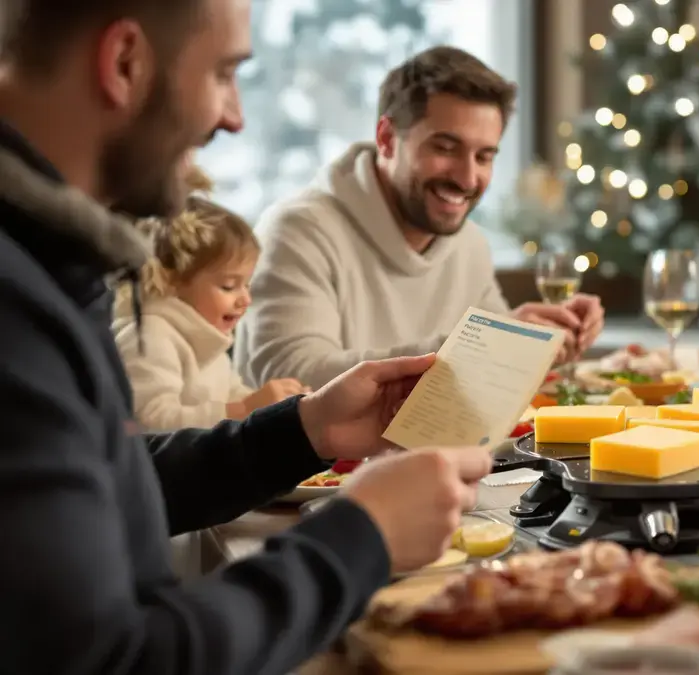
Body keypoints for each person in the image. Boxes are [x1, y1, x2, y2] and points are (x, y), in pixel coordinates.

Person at [0, 1, 493, 673]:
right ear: (124, 63)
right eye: (224, 74)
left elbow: (109, 484)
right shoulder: (17, 304)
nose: (235, 117)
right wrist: (361, 536)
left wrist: (301, 430)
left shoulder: (51, 259)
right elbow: (114, 661)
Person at [234, 45, 605, 389]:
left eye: (484, 157)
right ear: (387, 138)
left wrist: (548, 341)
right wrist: (483, 346)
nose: (467, 178)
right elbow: (293, 378)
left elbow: (493, 373)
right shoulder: (298, 231)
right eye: (445, 148)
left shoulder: (469, 243)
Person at [114, 173, 308, 432]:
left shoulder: (208, 339)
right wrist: (244, 409)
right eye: (228, 286)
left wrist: (278, 408)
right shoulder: (151, 337)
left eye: (247, 284)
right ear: (172, 280)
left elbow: (232, 393)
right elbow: (149, 422)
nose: (245, 299)